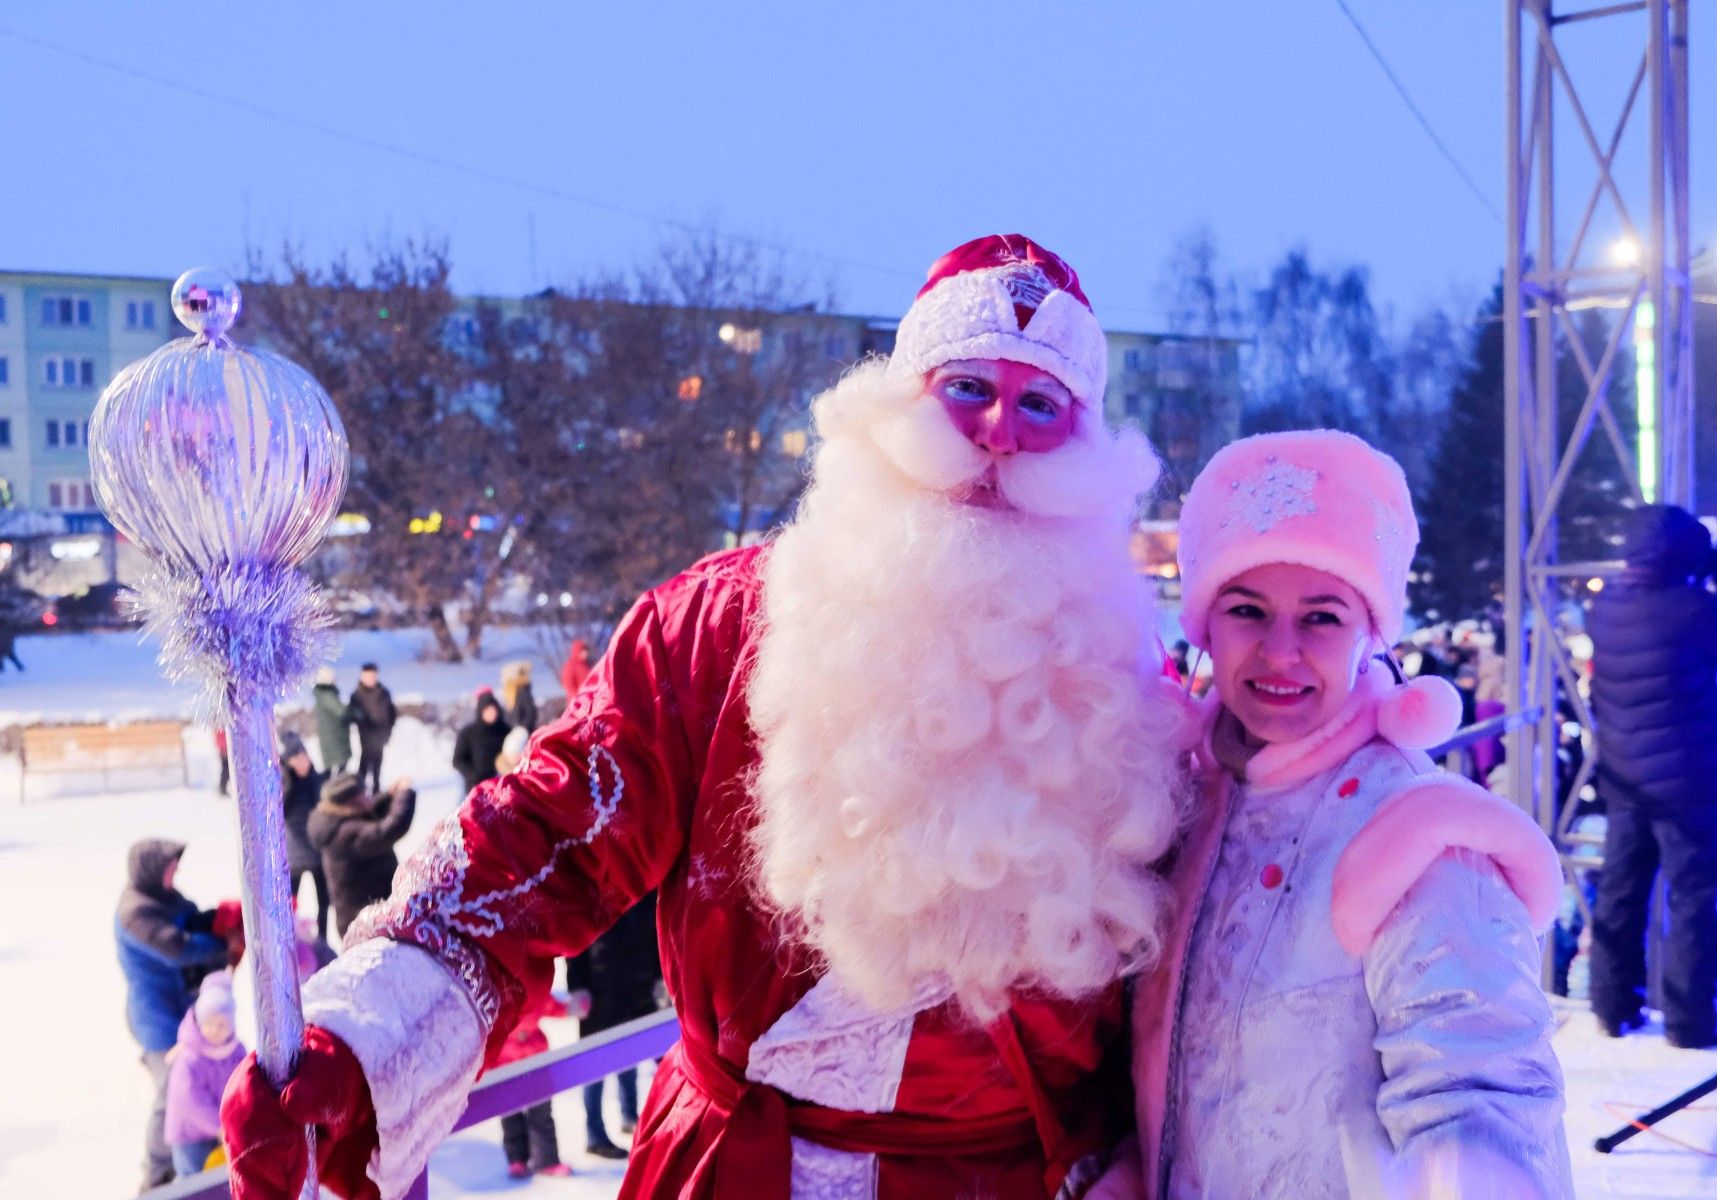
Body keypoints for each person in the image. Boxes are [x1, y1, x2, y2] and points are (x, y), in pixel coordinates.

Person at [222, 234, 1189, 1200]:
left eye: (1040, 406)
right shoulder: (720, 628)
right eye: (969, 388)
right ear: (894, 409)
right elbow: (542, 835)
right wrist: (360, 1041)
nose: (998, 437)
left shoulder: (1135, 685)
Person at [1099, 430, 1571, 1199]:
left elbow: (1482, 1091)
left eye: (1321, 617)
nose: (1281, 652)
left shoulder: (1416, 834)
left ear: (1369, 632)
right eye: (1248, 610)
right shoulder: (1177, 808)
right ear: (1203, 625)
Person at [1587, 504, 1717, 1048]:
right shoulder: (1692, 608)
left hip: (1625, 779)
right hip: (1687, 786)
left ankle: (1612, 1007)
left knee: (1620, 895)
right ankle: (1692, 1023)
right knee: (1695, 902)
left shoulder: (1605, 605)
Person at [115, 839, 229, 1192]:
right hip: (157, 1018)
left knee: (202, 1077)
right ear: (151, 871)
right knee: (171, 1090)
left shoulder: (165, 898)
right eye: (169, 866)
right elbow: (177, 948)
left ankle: (202, 1148)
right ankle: (155, 1172)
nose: (175, 871)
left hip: (184, 1010)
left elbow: (191, 918)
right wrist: (224, 946)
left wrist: (220, 919)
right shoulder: (136, 911)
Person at [566, 894, 662, 1159]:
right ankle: (595, 1134)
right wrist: (577, 987)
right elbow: (575, 944)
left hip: (640, 985)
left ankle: (631, 1116)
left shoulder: (647, 886)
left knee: (633, 1054)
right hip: (600, 988)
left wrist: (660, 976)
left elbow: (658, 929)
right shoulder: (590, 891)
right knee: (596, 1063)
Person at [305, 773, 417, 941]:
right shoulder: (346, 834)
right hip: (364, 922)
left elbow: (370, 810)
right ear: (351, 803)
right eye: (363, 794)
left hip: (363, 916)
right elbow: (388, 829)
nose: (368, 796)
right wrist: (404, 793)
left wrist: (389, 795)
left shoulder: (335, 822)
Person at [493, 989, 587, 1178]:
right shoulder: (496, 993)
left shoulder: (533, 989)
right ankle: (517, 1159)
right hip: (504, 1062)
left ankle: (547, 1160)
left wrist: (573, 1008)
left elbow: (552, 1006)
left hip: (536, 1060)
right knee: (510, 1115)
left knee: (541, 1113)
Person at [165, 970, 248, 1177]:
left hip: (224, 1131)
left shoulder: (236, 1052)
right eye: (209, 1024)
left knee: (219, 1178)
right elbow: (191, 1101)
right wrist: (219, 1126)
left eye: (221, 1025)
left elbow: (243, 1085)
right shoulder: (190, 1058)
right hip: (190, 1135)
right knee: (192, 1179)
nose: (215, 1030)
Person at [282, 743, 330, 933]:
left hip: (317, 851)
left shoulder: (317, 781)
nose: (302, 762)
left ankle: (323, 939)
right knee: (291, 904)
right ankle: (292, 938)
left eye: (305, 757)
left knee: (324, 903)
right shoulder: (285, 784)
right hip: (295, 855)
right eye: (297, 758)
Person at [347, 663, 397, 793]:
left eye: (373, 675)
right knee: (365, 763)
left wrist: (389, 730)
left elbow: (392, 712)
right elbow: (352, 714)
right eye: (368, 676)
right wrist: (361, 720)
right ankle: (359, 789)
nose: (371, 678)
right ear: (362, 676)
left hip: (382, 735)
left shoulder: (384, 692)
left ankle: (376, 789)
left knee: (378, 764)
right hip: (366, 736)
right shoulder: (356, 695)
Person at [451, 692, 512, 794]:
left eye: (494, 709)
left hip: (501, 786)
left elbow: (514, 755)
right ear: (481, 711)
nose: (492, 713)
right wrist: (473, 775)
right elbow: (457, 760)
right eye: (487, 710)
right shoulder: (468, 733)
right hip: (475, 787)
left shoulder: (506, 731)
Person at [314, 667, 353, 777]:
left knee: (332, 767)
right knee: (338, 768)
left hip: (330, 737)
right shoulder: (327, 695)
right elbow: (341, 711)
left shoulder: (321, 695)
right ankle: (335, 791)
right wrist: (352, 713)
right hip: (335, 737)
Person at [501, 660, 540, 733]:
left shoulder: (522, 692)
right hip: (515, 732)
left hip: (522, 735)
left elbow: (531, 713)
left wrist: (522, 730)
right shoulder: (511, 694)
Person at [559, 638, 593, 703]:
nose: (586, 653)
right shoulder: (570, 666)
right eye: (582, 651)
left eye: (586, 650)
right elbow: (568, 685)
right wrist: (578, 697)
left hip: (590, 699)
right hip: (578, 702)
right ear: (577, 651)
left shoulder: (587, 666)